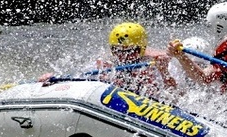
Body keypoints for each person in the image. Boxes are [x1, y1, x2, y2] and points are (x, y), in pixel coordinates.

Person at [38, 22, 178, 101]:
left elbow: (175, 94)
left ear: (142, 48)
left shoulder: (157, 61)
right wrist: (54, 78)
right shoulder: (105, 63)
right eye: (117, 50)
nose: (123, 56)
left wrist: (164, 71)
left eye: (130, 51)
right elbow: (79, 77)